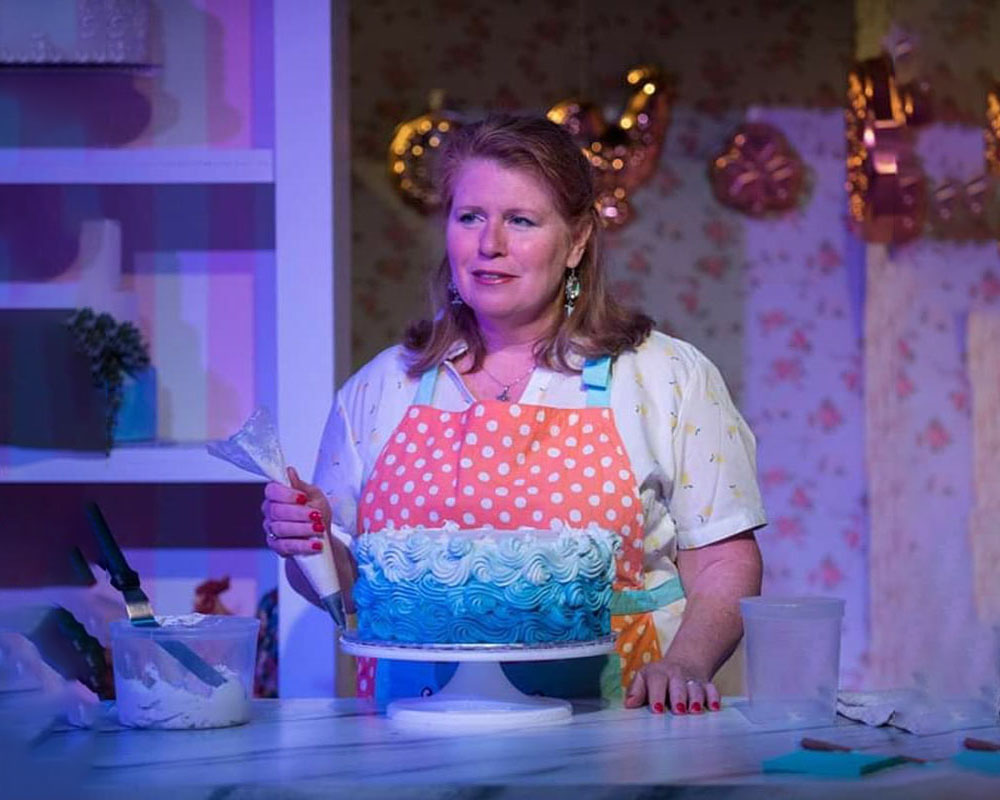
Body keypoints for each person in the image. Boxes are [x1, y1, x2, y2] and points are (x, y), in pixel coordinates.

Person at [262, 114, 765, 714]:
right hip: (415, 734)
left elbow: (722, 561)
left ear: (577, 241)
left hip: (615, 729)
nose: (489, 244)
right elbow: (340, 588)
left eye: (521, 221)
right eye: (470, 216)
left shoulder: (666, 377)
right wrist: (309, 538)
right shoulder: (382, 389)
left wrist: (684, 664)